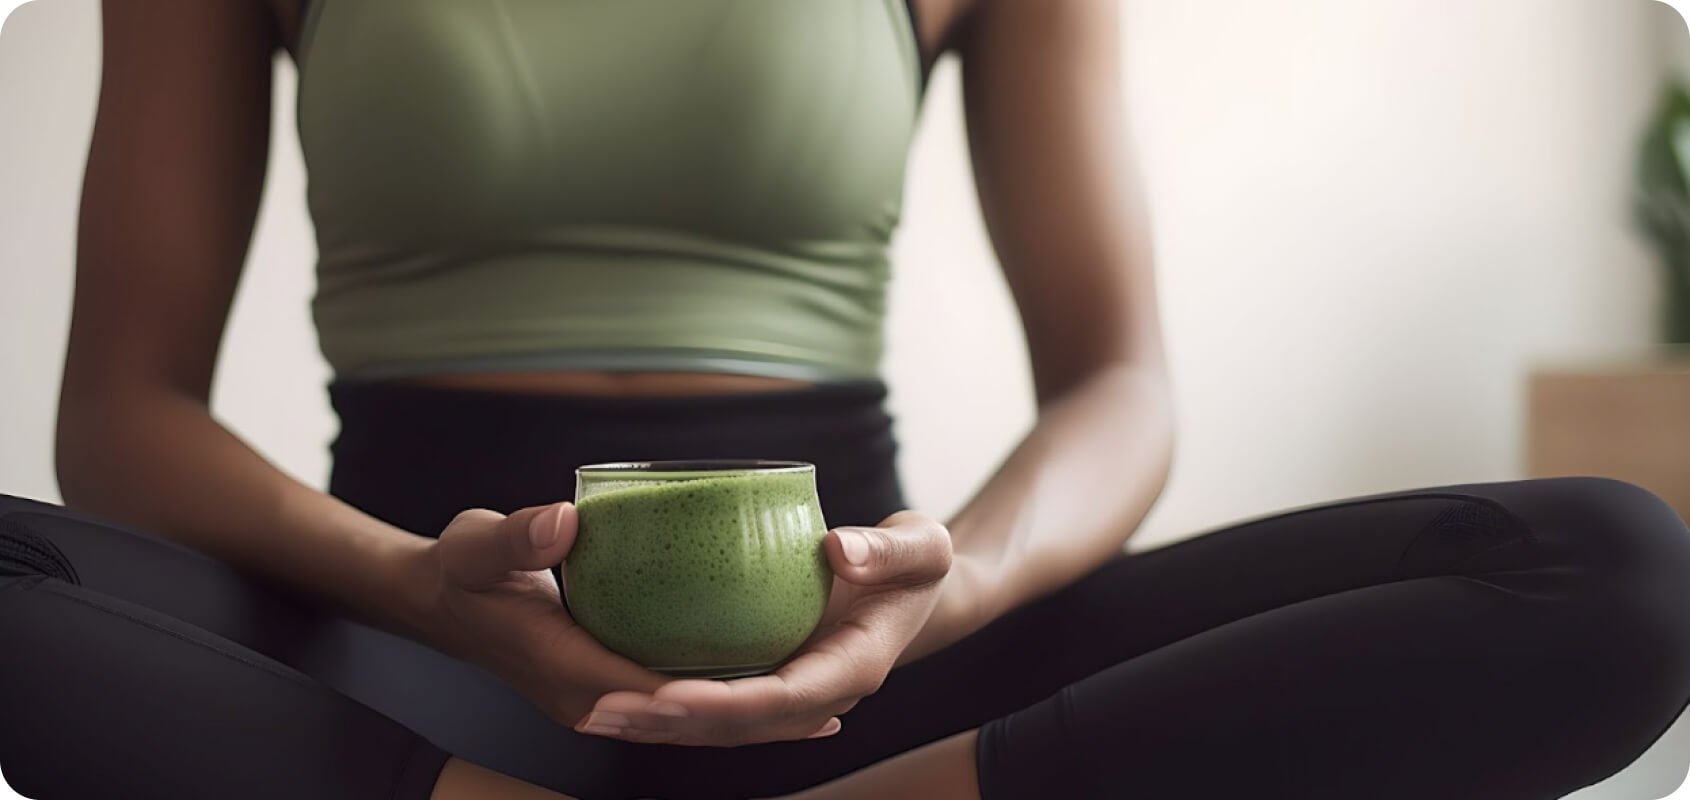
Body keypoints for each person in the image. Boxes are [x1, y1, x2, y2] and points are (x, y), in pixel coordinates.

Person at [2, 1, 1689, 798]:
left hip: (869, 680)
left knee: (1606, 568)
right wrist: (403, 588)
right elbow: (124, 410)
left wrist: (948, 584)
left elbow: (1117, 381)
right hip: (407, 646)